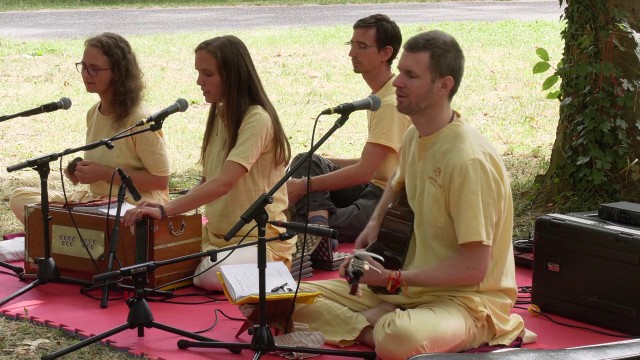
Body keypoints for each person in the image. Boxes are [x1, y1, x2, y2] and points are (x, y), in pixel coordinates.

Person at [289, 30, 525, 360]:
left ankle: (376, 326)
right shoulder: (416, 134)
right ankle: (373, 324)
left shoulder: (468, 160)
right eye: (399, 71)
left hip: (465, 303)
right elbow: (398, 181)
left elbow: (474, 268)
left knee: (399, 339)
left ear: (445, 85)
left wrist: (393, 278)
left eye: (410, 75)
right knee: (280, 299)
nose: (397, 82)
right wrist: (374, 223)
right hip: (403, 289)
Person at [122, 35, 294, 292]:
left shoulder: (257, 118)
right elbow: (207, 183)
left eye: (207, 74)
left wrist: (165, 212)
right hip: (213, 238)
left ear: (232, 75)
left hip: (260, 242)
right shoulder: (220, 112)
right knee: (144, 249)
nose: (199, 82)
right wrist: (165, 207)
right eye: (199, 73)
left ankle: (276, 267)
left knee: (206, 275)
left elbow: (224, 183)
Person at [9, 32, 170, 225]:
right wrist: (80, 172)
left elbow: (160, 181)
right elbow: (98, 168)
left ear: (117, 72)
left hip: (130, 206)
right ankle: (75, 229)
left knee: (112, 222)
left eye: (94, 69)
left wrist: (104, 174)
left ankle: (71, 231)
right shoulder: (93, 113)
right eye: (83, 66)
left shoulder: (139, 119)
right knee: (21, 197)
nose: (86, 74)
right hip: (95, 203)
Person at [286, 14, 411, 244]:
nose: (352, 53)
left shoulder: (389, 104)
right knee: (306, 160)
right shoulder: (380, 95)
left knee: (291, 226)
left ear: (386, 53)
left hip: (389, 200)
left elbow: (365, 171)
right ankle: (318, 225)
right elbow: (376, 164)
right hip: (370, 187)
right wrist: (320, 164)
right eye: (351, 44)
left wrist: (304, 186)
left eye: (362, 46)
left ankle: (316, 228)